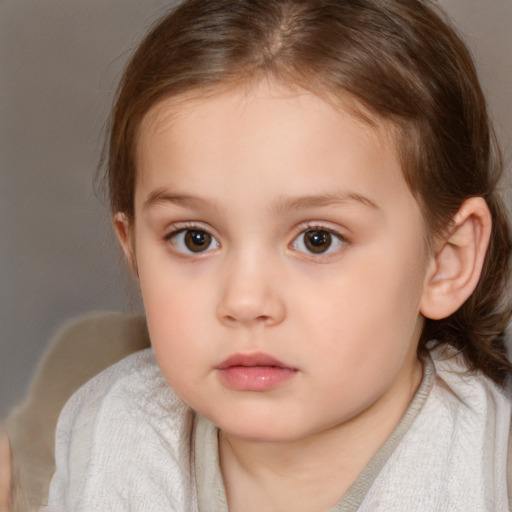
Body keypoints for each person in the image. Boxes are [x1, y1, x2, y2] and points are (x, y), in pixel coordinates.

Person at [43, 0, 512, 510]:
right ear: (132, 248)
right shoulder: (109, 434)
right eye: (194, 238)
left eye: (317, 240)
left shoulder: (492, 470)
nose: (245, 301)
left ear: (446, 260)